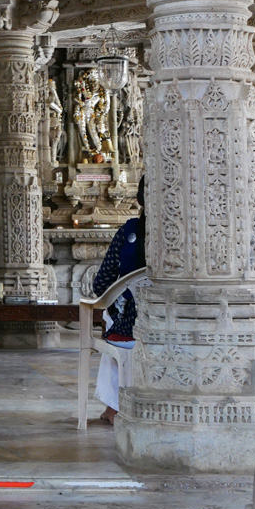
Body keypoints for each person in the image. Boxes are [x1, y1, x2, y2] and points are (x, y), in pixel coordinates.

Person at [91, 175, 146, 425]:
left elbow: (101, 283)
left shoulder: (129, 232)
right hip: (178, 320)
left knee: (115, 319)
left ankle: (113, 409)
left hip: (128, 330)